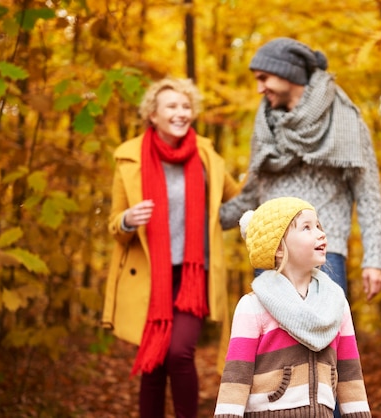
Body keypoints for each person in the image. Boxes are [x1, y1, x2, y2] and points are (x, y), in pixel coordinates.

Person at [101, 77, 240, 418]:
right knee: (154, 360)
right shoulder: (130, 160)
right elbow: (114, 225)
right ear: (153, 115)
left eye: (186, 106)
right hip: (150, 277)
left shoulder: (208, 157)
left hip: (193, 277)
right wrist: (129, 220)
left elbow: (238, 201)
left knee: (178, 352)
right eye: (172, 107)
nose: (181, 113)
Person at [220, 37, 381, 301]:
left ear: (288, 74)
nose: (259, 89)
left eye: (264, 78)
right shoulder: (266, 124)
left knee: (323, 341)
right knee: (271, 342)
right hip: (269, 252)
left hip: (323, 252)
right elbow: (252, 193)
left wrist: (374, 259)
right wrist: (210, 219)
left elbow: (368, 192)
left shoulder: (344, 119)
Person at [214, 197, 372, 417]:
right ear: (278, 247)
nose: (320, 233)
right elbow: (235, 378)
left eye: (318, 225)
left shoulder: (337, 304)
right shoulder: (253, 306)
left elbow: (350, 375)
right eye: (306, 228)